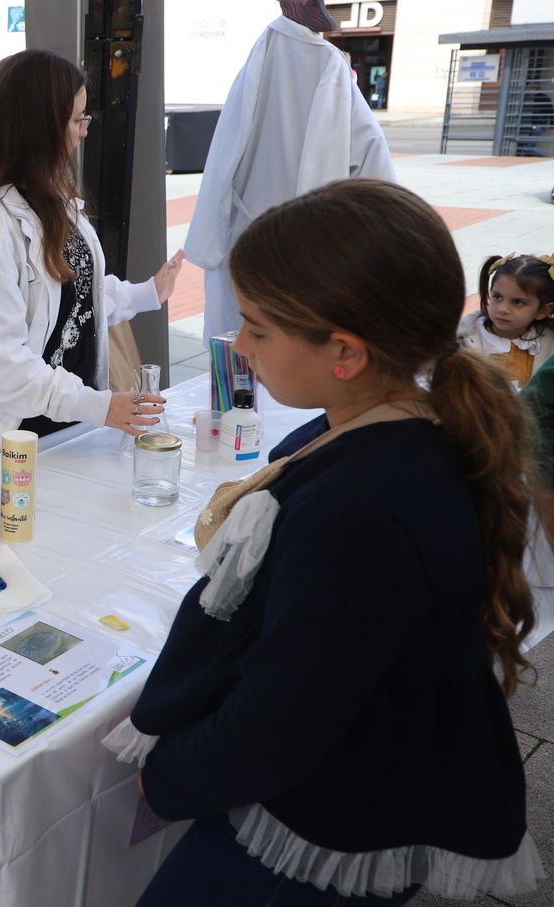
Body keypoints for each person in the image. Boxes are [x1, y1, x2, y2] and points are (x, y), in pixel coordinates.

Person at [106, 179, 541, 906]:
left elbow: (279, 720)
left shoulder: (358, 510)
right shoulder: (388, 425)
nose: (239, 345)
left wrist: (168, 775)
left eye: (257, 328)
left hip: (327, 816)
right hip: (361, 766)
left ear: (344, 351)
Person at [0, 51, 184, 450]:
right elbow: (3, 365)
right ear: (38, 127)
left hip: (66, 426)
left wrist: (149, 293)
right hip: (8, 440)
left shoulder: (50, 200)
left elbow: (76, 295)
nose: (84, 131)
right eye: (77, 119)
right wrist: (101, 406)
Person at [185, 0, 395, 341]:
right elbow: (371, 161)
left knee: (242, 354)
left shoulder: (270, 54)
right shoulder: (319, 62)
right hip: (288, 247)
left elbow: (225, 156)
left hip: (248, 243)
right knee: (285, 352)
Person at [456, 253, 554, 386]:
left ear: (543, 310)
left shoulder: (549, 344)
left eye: (518, 302)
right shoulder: (461, 339)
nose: (502, 309)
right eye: (497, 297)